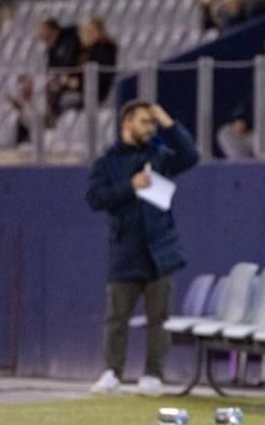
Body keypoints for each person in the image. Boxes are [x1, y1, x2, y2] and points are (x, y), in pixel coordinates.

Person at [85, 102, 200, 397]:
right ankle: (112, 372)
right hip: (125, 250)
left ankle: (153, 375)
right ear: (127, 123)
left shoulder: (158, 157)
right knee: (116, 319)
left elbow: (190, 156)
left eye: (152, 123)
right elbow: (96, 198)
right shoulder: (107, 162)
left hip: (159, 250)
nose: (150, 128)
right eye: (144, 122)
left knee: (159, 319)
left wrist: (168, 123)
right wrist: (130, 186)